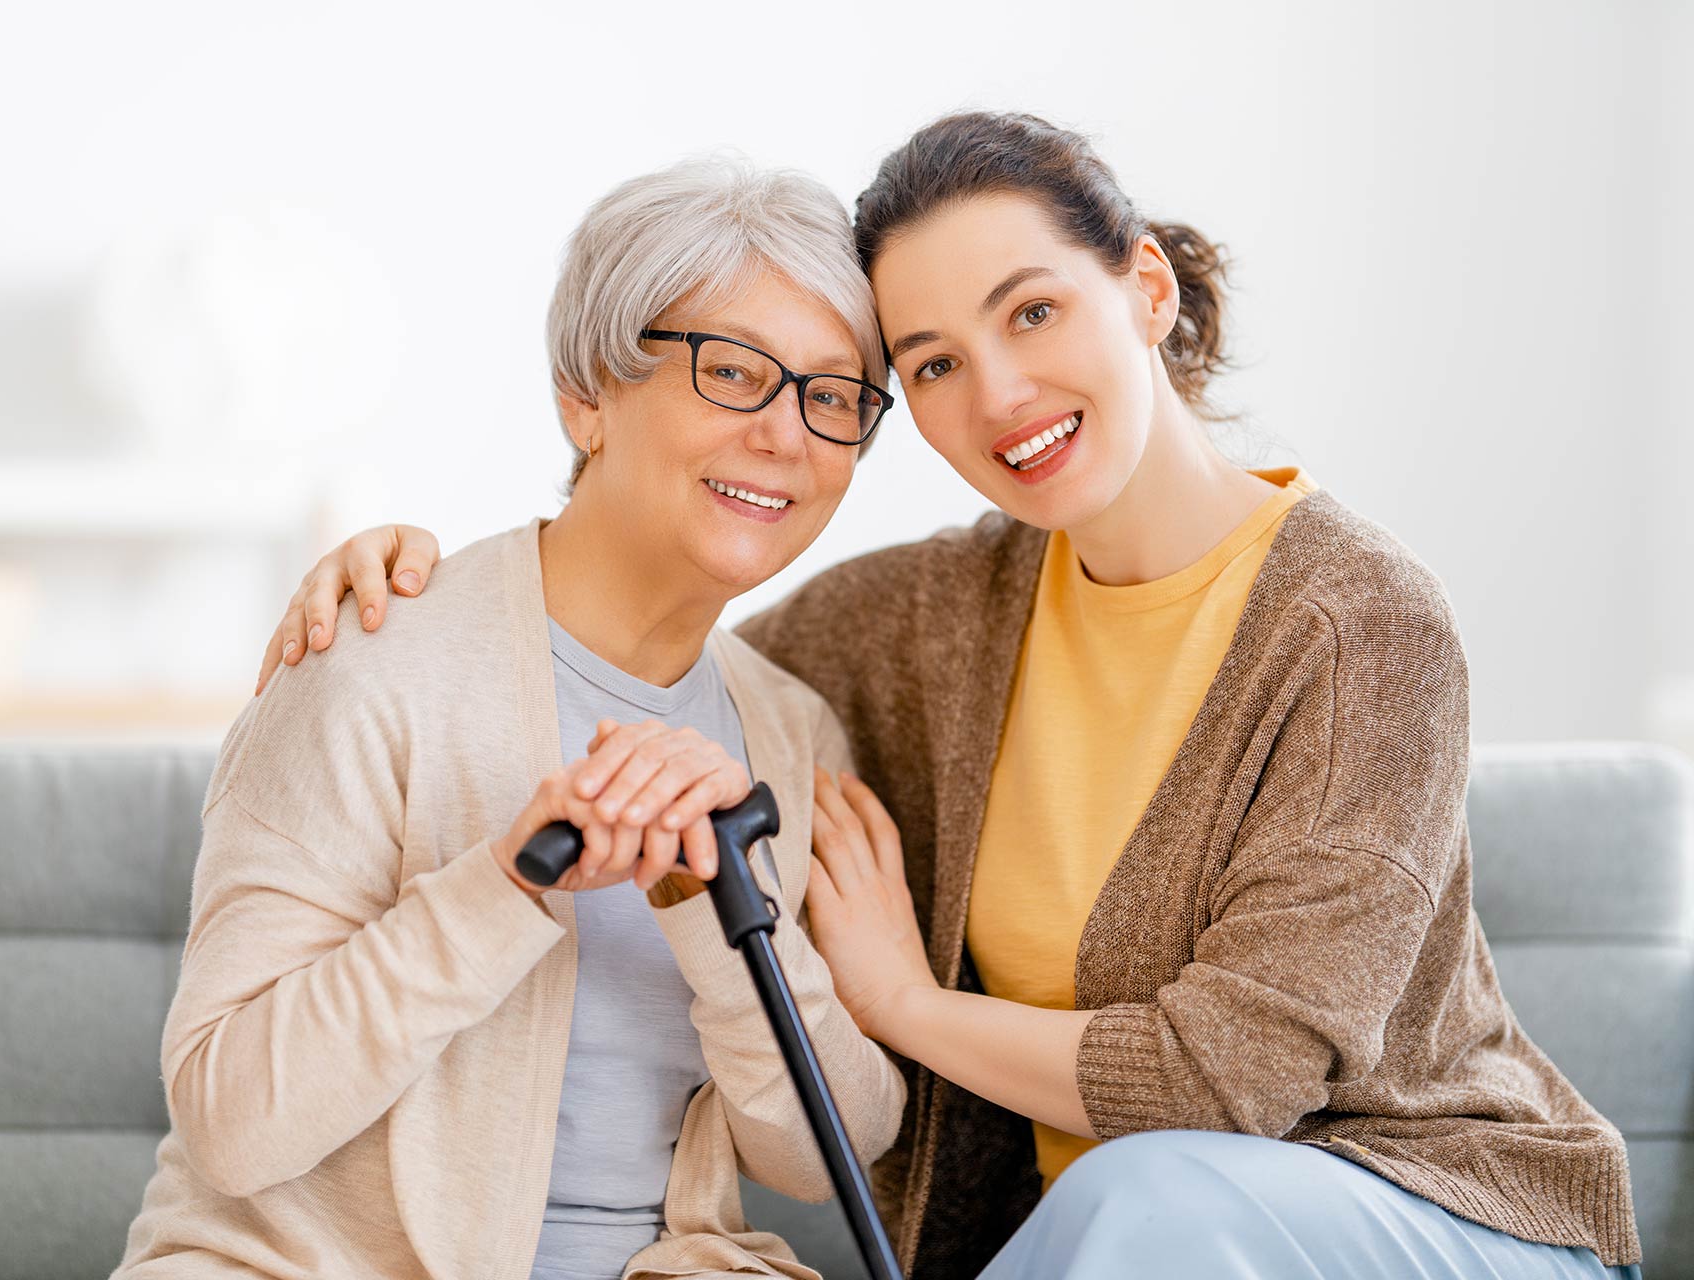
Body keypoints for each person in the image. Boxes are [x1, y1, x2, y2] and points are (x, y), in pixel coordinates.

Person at [254, 113, 1643, 1278]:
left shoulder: (1362, 624)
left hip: (1435, 1216)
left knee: (1150, 1194)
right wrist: (409, 580)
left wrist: (904, 1005)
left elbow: (1236, 1082)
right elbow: (639, 648)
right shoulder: (927, 617)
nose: (1000, 392)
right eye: (931, 364)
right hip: (1111, 1251)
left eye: (1033, 311)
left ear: (1147, 290)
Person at [111, 156, 905, 1280]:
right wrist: (507, 883)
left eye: (832, 396)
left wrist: (717, 902)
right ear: (587, 394)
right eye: (732, 371)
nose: (787, 433)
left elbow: (826, 1155)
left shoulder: (788, 729)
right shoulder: (370, 659)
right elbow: (232, 1121)